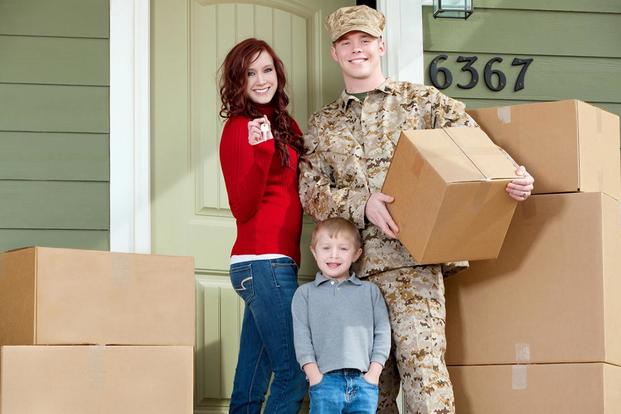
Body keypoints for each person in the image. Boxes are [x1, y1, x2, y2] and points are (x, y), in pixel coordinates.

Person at [298, 5, 535, 414]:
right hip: (351, 277)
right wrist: (363, 204)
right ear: (335, 53)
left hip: (413, 265)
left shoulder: (422, 102)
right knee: (368, 388)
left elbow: (475, 150)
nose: (357, 50)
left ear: (381, 46)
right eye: (346, 43)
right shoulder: (322, 124)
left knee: (423, 373)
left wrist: (515, 176)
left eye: (365, 41)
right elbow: (310, 191)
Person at [218, 38, 307, 413]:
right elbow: (242, 206)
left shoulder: (285, 125)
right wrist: (262, 152)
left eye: (267, 69)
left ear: (278, 74)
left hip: (275, 263)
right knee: (295, 373)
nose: (260, 80)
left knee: (252, 381)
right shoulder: (239, 128)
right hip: (263, 262)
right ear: (238, 82)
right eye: (249, 73)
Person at [291, 217, 391, 414]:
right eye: (326, 248)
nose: (334, 255)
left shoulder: (370, 292)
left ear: (356, 254)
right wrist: (314, 377)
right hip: (325, 383)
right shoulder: (305, 294)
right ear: (314, 251)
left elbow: (383, 332)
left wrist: (374, 373)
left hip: (364, 382)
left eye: (343, 249)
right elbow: (302, 339)